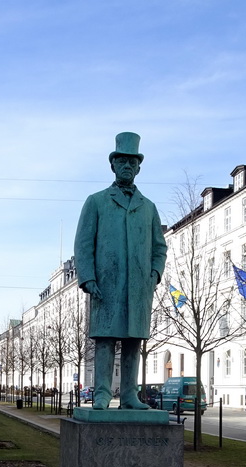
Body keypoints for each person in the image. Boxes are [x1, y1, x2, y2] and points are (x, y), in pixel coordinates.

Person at [74, 132, 167, 410]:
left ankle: (129, 394)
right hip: (106, 282)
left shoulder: (148, 207)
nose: (127, 166)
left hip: (139, 285)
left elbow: (159, 247)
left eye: (132, 162)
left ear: (138, 168)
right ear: (113, 165)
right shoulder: (97, 201)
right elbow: (83, 243)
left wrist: (154, 274)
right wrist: (88, 277)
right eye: (122, 161)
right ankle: (102, 393)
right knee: (105, 338)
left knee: (133, 340)